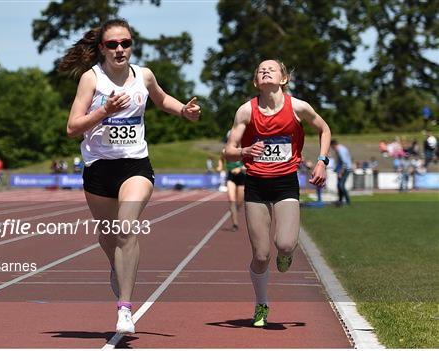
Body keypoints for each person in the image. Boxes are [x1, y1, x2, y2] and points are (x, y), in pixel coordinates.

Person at [61, 18, 200, 334]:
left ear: (132, 45)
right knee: (110, 238)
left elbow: (162, 100)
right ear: (102, 49)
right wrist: (104, 112)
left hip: (135, 165)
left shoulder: (143, 75)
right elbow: (72, 128)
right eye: (112, 44)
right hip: (98, 169)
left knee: (126, 228)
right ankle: (117, 266)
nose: (120, 49)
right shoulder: (91, 79)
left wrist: (184, 111)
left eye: (125, 43)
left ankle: (124, 309)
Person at [224, 59, 331, 328]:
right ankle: (261, 303)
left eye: (271, 69)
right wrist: (244, 152)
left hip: (285, 183)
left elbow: (324, 129)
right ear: (255, 82)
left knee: (285, 245)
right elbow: (228, 151)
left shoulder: (298, 107)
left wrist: (321, 161)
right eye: (260, 70)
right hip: (257, 185)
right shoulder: (246, 111)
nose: (265, 71)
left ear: (283, 79)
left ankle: (286, 254)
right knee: (260, 255)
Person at [217, 138, 245, 231]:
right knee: (231, 199)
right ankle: (235, 224)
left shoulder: (243, 149)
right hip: (231, 177)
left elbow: (249, 164)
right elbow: (221, 159)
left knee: (240, 202)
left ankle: (235, 209)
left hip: (242, 177)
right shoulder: (226, 150)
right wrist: (220, 166)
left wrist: (240, 168)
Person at [330, 140, 352, 206]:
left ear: (334, 145)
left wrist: (340, 172)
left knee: (341, 185)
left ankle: (348, 201)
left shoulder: (341, 150)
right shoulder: (341, 149)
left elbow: (344, 163)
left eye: (332, 147)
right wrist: (336, 169)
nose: (332, 149)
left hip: (345, 169)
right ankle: (340, 201)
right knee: (339, 185)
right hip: (343, 169)